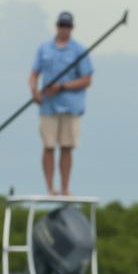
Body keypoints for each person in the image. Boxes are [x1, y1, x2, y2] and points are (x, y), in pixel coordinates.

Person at [29, 11, 94, 196]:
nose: (64, 29)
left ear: (72, 28)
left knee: (67, 146)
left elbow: (87, 79)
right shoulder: (44, 49)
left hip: (71, 106)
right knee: (48, 145)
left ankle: (65, 188)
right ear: (57, 26)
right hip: (48, 106)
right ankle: (50, 188)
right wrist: (34, 91)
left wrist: (63, 86)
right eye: (61, 25)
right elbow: (34, 74)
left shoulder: (80, 51)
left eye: (67, 26)